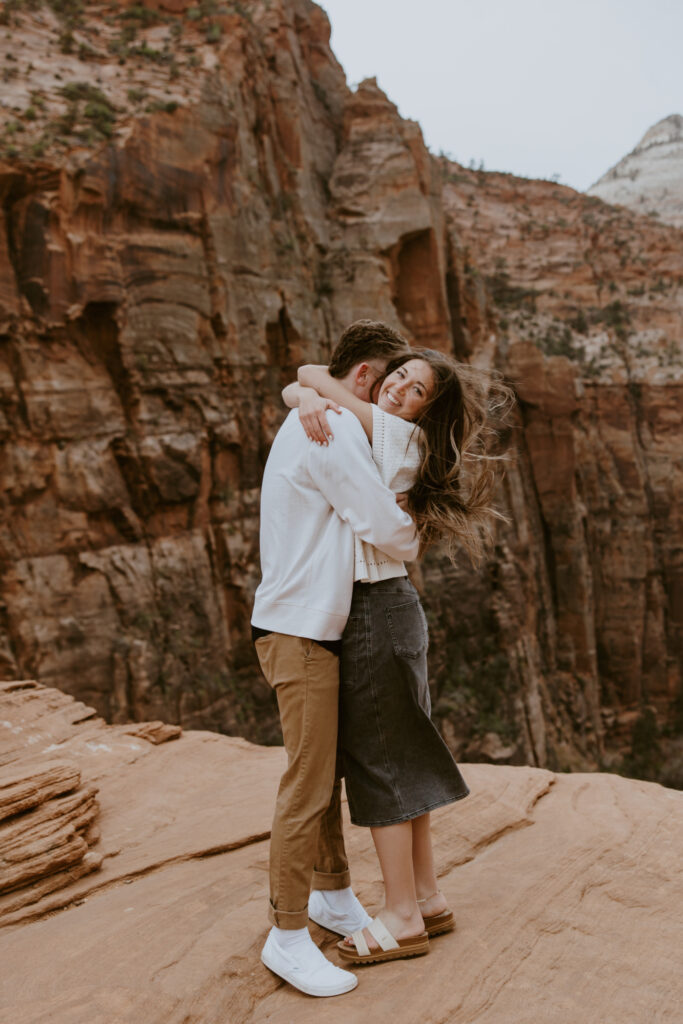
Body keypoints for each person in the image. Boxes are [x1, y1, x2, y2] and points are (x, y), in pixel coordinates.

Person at [286, 348, 511, 965]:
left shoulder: (397, 435)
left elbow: (315, 378)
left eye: (414, 390)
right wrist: (307, 392)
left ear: (424, 413)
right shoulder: (388, 430)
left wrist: (310, 389)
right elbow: (313, 383)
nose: (397, 389)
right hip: (395, 610)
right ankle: (429, 898)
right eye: (398, 376)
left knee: (382, 762)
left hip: (374, 614)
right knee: (405, 756)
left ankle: (402, 917)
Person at [251, 320, 420, 997]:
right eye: (388, 385)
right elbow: (386, 529)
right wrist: (414, 525)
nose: (383, 402)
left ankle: (331, 894)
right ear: (364, 379)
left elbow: (310, 380)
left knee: (321, 774)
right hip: (298, 632)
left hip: (304, 625)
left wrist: (306, 386)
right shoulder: (335, 430)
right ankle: (286, 934)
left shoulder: (320, 414)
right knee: (306, 784)